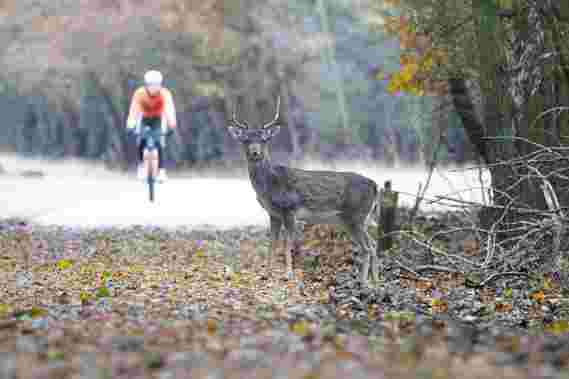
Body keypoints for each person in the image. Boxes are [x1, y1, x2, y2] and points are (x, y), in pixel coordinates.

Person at [126, 70, 177, 182]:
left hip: (158, 119)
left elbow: (169, 109)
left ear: (160, 85)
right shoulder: (140, 93)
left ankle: (161, 170)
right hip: (144, 118)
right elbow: (134, 110)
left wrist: (172, 125)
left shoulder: (164, 94)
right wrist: (130, 125)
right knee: (141, 140)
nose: (154, 88)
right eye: (151, 85)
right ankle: (141, 167)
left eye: (156, 85)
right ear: (146, 85)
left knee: (159, 142)